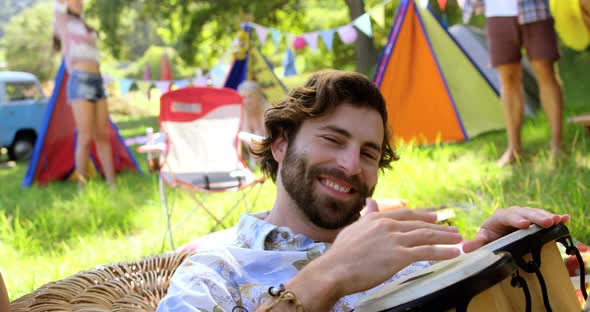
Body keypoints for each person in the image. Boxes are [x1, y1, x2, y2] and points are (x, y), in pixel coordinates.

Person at [157, 70, 569, 311]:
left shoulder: (395, 254)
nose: (351, 166)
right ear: (280, 144)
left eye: (369, 153)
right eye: (333, 140)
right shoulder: (216, 272)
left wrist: (480, 256)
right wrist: (329, 275)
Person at [463, 0, 564, 166]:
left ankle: (557, 145)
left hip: (534, 9)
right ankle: (514, 148)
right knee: (508, 78)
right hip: (497, 14)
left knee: (545, 71)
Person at [54, 0, 116, 186]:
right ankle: (83, 187)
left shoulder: (83, 24)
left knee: (103, 134)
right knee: (85, 136)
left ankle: (112, 185)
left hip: (98, 80)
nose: (79, 2)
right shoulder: (62, 21)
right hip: (80, 80)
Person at [237, 80, 270, 167]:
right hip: (255, 153)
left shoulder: (268, 110)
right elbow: (246, 139)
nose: (247, 101)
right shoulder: (243, 113)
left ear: (258, 96)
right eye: (244, 97)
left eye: (250, 96)